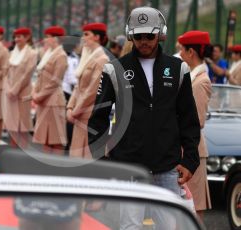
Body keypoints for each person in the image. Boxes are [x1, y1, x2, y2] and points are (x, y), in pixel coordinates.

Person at [88, 7, 200, 229]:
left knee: (168, 226)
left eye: (149, 35)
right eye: (138, 36)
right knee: (130, 226)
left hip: (167, 167)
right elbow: (98, 117)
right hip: (130, 167)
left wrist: (190, 160)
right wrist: (100, 160)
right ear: (131, 35)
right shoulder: (114, 68)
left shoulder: (179, 69)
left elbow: (188, 118)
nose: (144, 41)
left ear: (160, 34)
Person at [178, 30, 212, 221]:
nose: (180, 54)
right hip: (187, 146)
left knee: (194, 205)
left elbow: (196, 120)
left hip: (192, 149)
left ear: (191, 52)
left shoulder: (200, 82)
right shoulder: (194, 77)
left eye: (182, 50)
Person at [67, 22, 109, 158]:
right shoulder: (87, 56)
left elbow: (93, 90)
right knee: (77, 155)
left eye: (86, 34)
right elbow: (78, 86)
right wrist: (70, 107)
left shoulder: (102, 59)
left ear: (97, 37)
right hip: (79, 113)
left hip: (88, 114)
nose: (83, 38)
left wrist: (76, 110)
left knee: (85, 157)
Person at [32, 26, 68, 154]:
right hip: (44, 101)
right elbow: (40, 76)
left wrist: (39, 95)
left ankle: (56, 169)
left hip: (54, 101)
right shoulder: (48, 54)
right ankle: (46, 166)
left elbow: (55, 81)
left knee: (56, 139)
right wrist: (35, 93)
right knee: (46, 137)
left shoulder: (61, 55)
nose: (45, 40)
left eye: (48, 37)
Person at [2, 27, 37, 148]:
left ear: (27, 37)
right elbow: (5, 73)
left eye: (19, 37)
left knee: (22, 124)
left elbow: (27, 74)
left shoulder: (32, 54)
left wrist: (14, 90)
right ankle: (13, 150)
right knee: (12, 125)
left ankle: (22, 153)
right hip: (10, 94)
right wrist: (7, 89)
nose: (17, 39)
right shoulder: (11, 53)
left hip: (23, 93)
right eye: (15, 37)